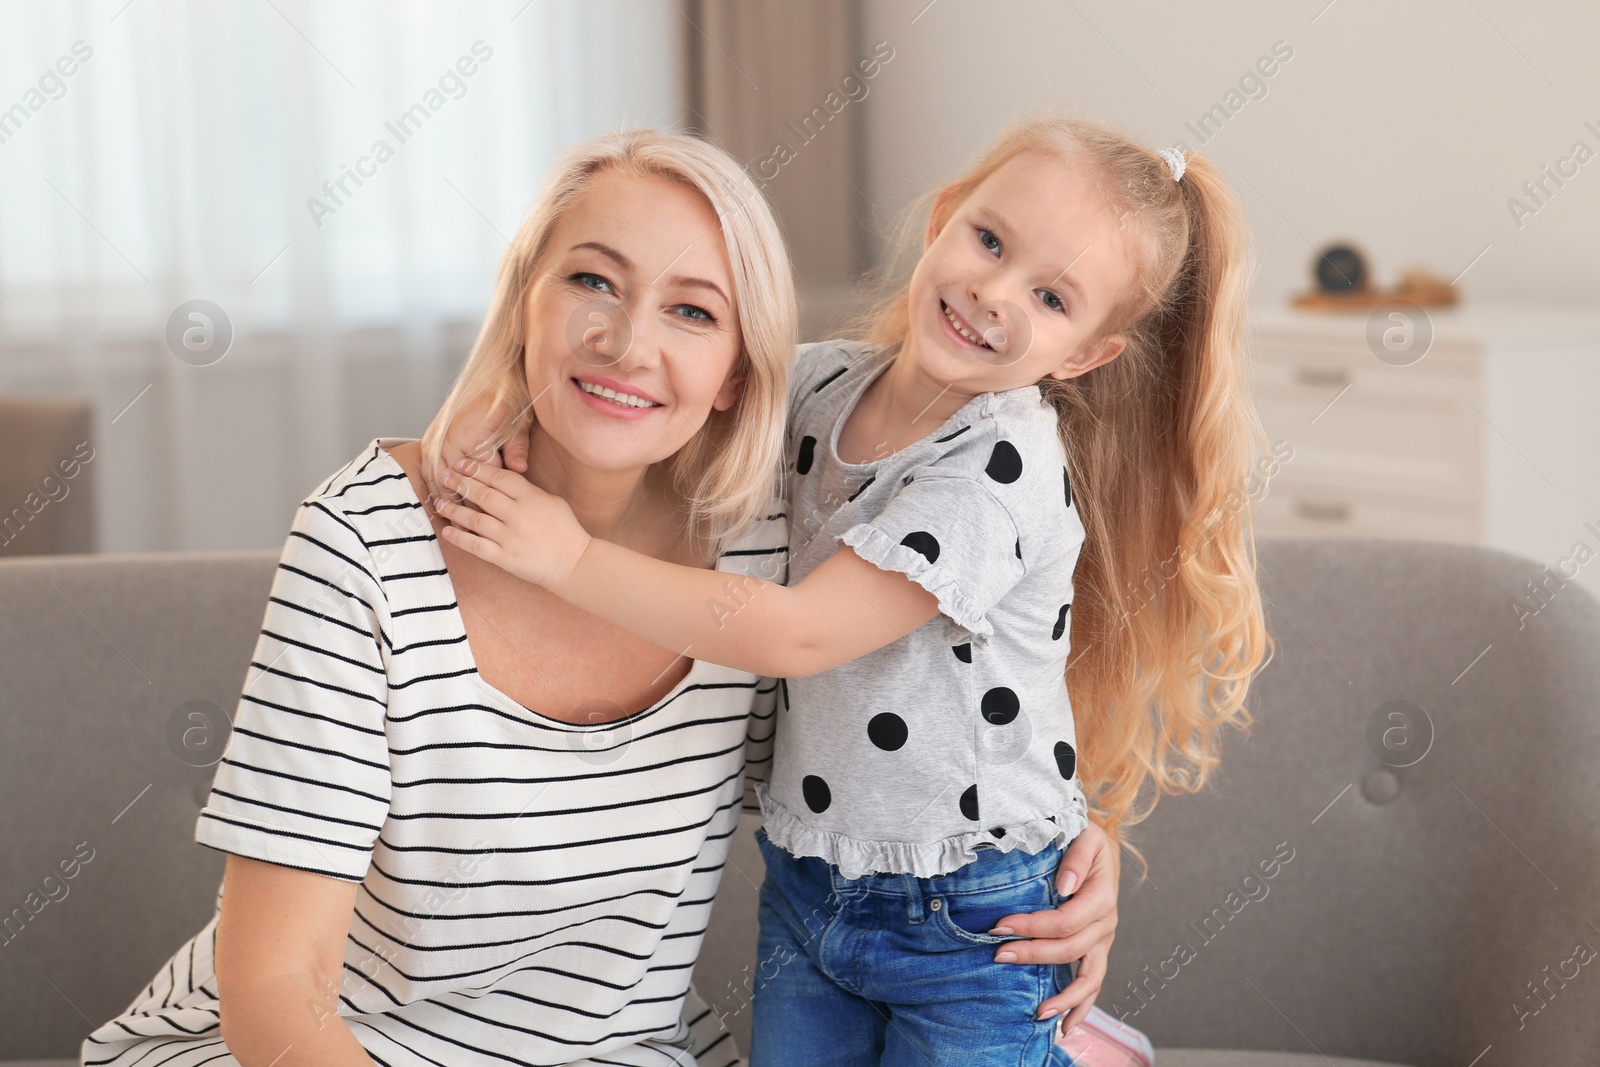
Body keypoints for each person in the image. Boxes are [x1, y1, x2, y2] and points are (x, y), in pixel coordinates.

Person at [80, 127, 1121, 1067]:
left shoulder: (772, 537)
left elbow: (962, 679)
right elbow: (273, 992)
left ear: (735, 372)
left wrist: (1073, 849)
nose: (628, 344)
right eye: (591, 281)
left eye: (690, 311)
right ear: (525, 294)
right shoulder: (368, 539)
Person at [434, 114, 1273, 1066]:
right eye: (989, 241)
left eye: (1049, 296)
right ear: (942, 218)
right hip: (809, 881)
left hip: (973, 911)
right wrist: (504, 394)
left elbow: (798, 633)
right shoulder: (823, 385)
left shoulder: (998, 466)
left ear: (1083, 355)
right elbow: (672, 381)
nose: (992, 293)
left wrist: (567, 559)